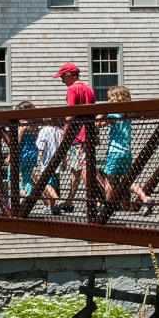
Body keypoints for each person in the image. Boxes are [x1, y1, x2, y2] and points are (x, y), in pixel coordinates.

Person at [97, 86, 154, 215]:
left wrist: (102, 111)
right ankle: (145, 198)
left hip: (114, 152)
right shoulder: (127, 115)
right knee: (127, 181)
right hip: (126, 152)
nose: (109, 101)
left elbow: (98, 124)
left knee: (109, 180)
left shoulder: (113, 115)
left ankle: (108, 206)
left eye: (110, 98)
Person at [53, 62, 95, 213]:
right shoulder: (89, 89)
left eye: (62, 77)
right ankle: (70, 200)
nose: (62, 81)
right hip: (89, 133)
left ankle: (95, 200)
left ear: (69, 75)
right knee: (75, 168)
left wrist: (65, 132)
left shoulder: (72, 89)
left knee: (83, 168)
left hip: (78, 135)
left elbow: (71, 113)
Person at [34, 119, 63, 214]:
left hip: (47, 160)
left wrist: (36, 141)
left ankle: (57, 200)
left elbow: (41, 147)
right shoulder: (60, 130)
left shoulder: (43, 130)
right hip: (57, 160)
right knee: (53, 184)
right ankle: (51, 207)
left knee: (46, 183)